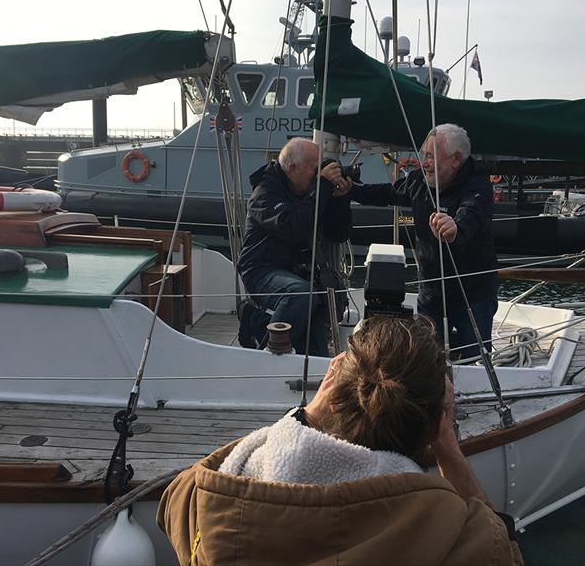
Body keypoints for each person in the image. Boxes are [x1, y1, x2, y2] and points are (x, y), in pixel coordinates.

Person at [157, 316, 523, 565]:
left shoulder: (223, 507)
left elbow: (176, 496)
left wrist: (306, 416)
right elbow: (502, 552)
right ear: (435, 425)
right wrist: (448, 448)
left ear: (332, 395)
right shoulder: (447, 527)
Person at [347, 123, 498, 359]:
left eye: (430, 156)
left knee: (475, 358)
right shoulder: (419, 182)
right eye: (423, 155)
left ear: (456, 159)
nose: (424, 162)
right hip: (431, 292)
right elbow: (387, 193)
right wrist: (350, 191)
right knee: (428, 359)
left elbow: (473, 212)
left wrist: (455, 228)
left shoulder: (478, 185)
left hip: (473, 294)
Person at [236, 138, 352, 356]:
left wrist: (339, 200)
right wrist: (323, 187)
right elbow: (295, 228)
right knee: (300, 295)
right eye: (314, 169)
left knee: (318, 304)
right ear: (291, 169)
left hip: (298, 271)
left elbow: (339, 234)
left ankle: (314, 365)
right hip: (261, 269)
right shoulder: (265, 195)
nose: (319, 174)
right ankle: (265, 356)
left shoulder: (312, 192)